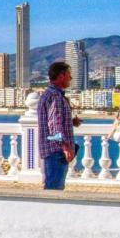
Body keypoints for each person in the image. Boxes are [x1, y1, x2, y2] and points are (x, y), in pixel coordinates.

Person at [37, 61, 82, 190]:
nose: (71, 78)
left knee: (52, 186)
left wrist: (71, 121)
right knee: (54, 190)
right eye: (69, 74)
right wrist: (65, 147)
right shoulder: (55, 96)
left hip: (52, 150)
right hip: (56, 151)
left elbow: (52, 121)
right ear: (61, 76)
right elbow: (54, 126)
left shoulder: (50, 94)